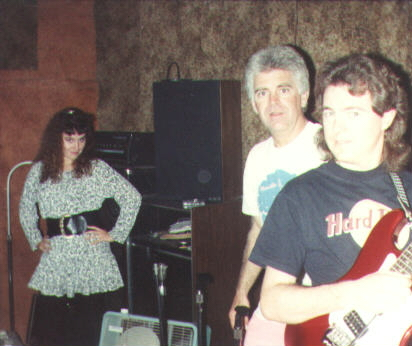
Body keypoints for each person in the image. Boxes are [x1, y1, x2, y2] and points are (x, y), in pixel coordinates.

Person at [250, 53, 412, 346]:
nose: (338, 128)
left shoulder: (407, 189)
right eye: (329, 113)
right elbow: (272, 301)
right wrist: (355, 292)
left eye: (353, 113)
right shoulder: (300, 195)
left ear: (386, 117)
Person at [19, 107, 142, 346]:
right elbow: (25, 207)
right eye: (69, 139)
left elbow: (132, 197)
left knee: (91, 331)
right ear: (56, 138)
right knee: (54, 332)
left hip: (92, 256)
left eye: (81, 139)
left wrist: (116, 234)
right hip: (58, 258)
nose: (76, 146)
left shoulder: (96, 169)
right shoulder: (40, 171)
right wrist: (35, 237)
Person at [229, 45, 324, 342]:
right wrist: (241, 293)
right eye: (261, 93)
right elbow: (259, 229)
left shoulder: (328, 145)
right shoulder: (257, 156)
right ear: (253, 103)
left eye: (283, 90)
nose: (272, 102)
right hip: (278, 297)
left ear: (304, 95)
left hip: (328, 297)